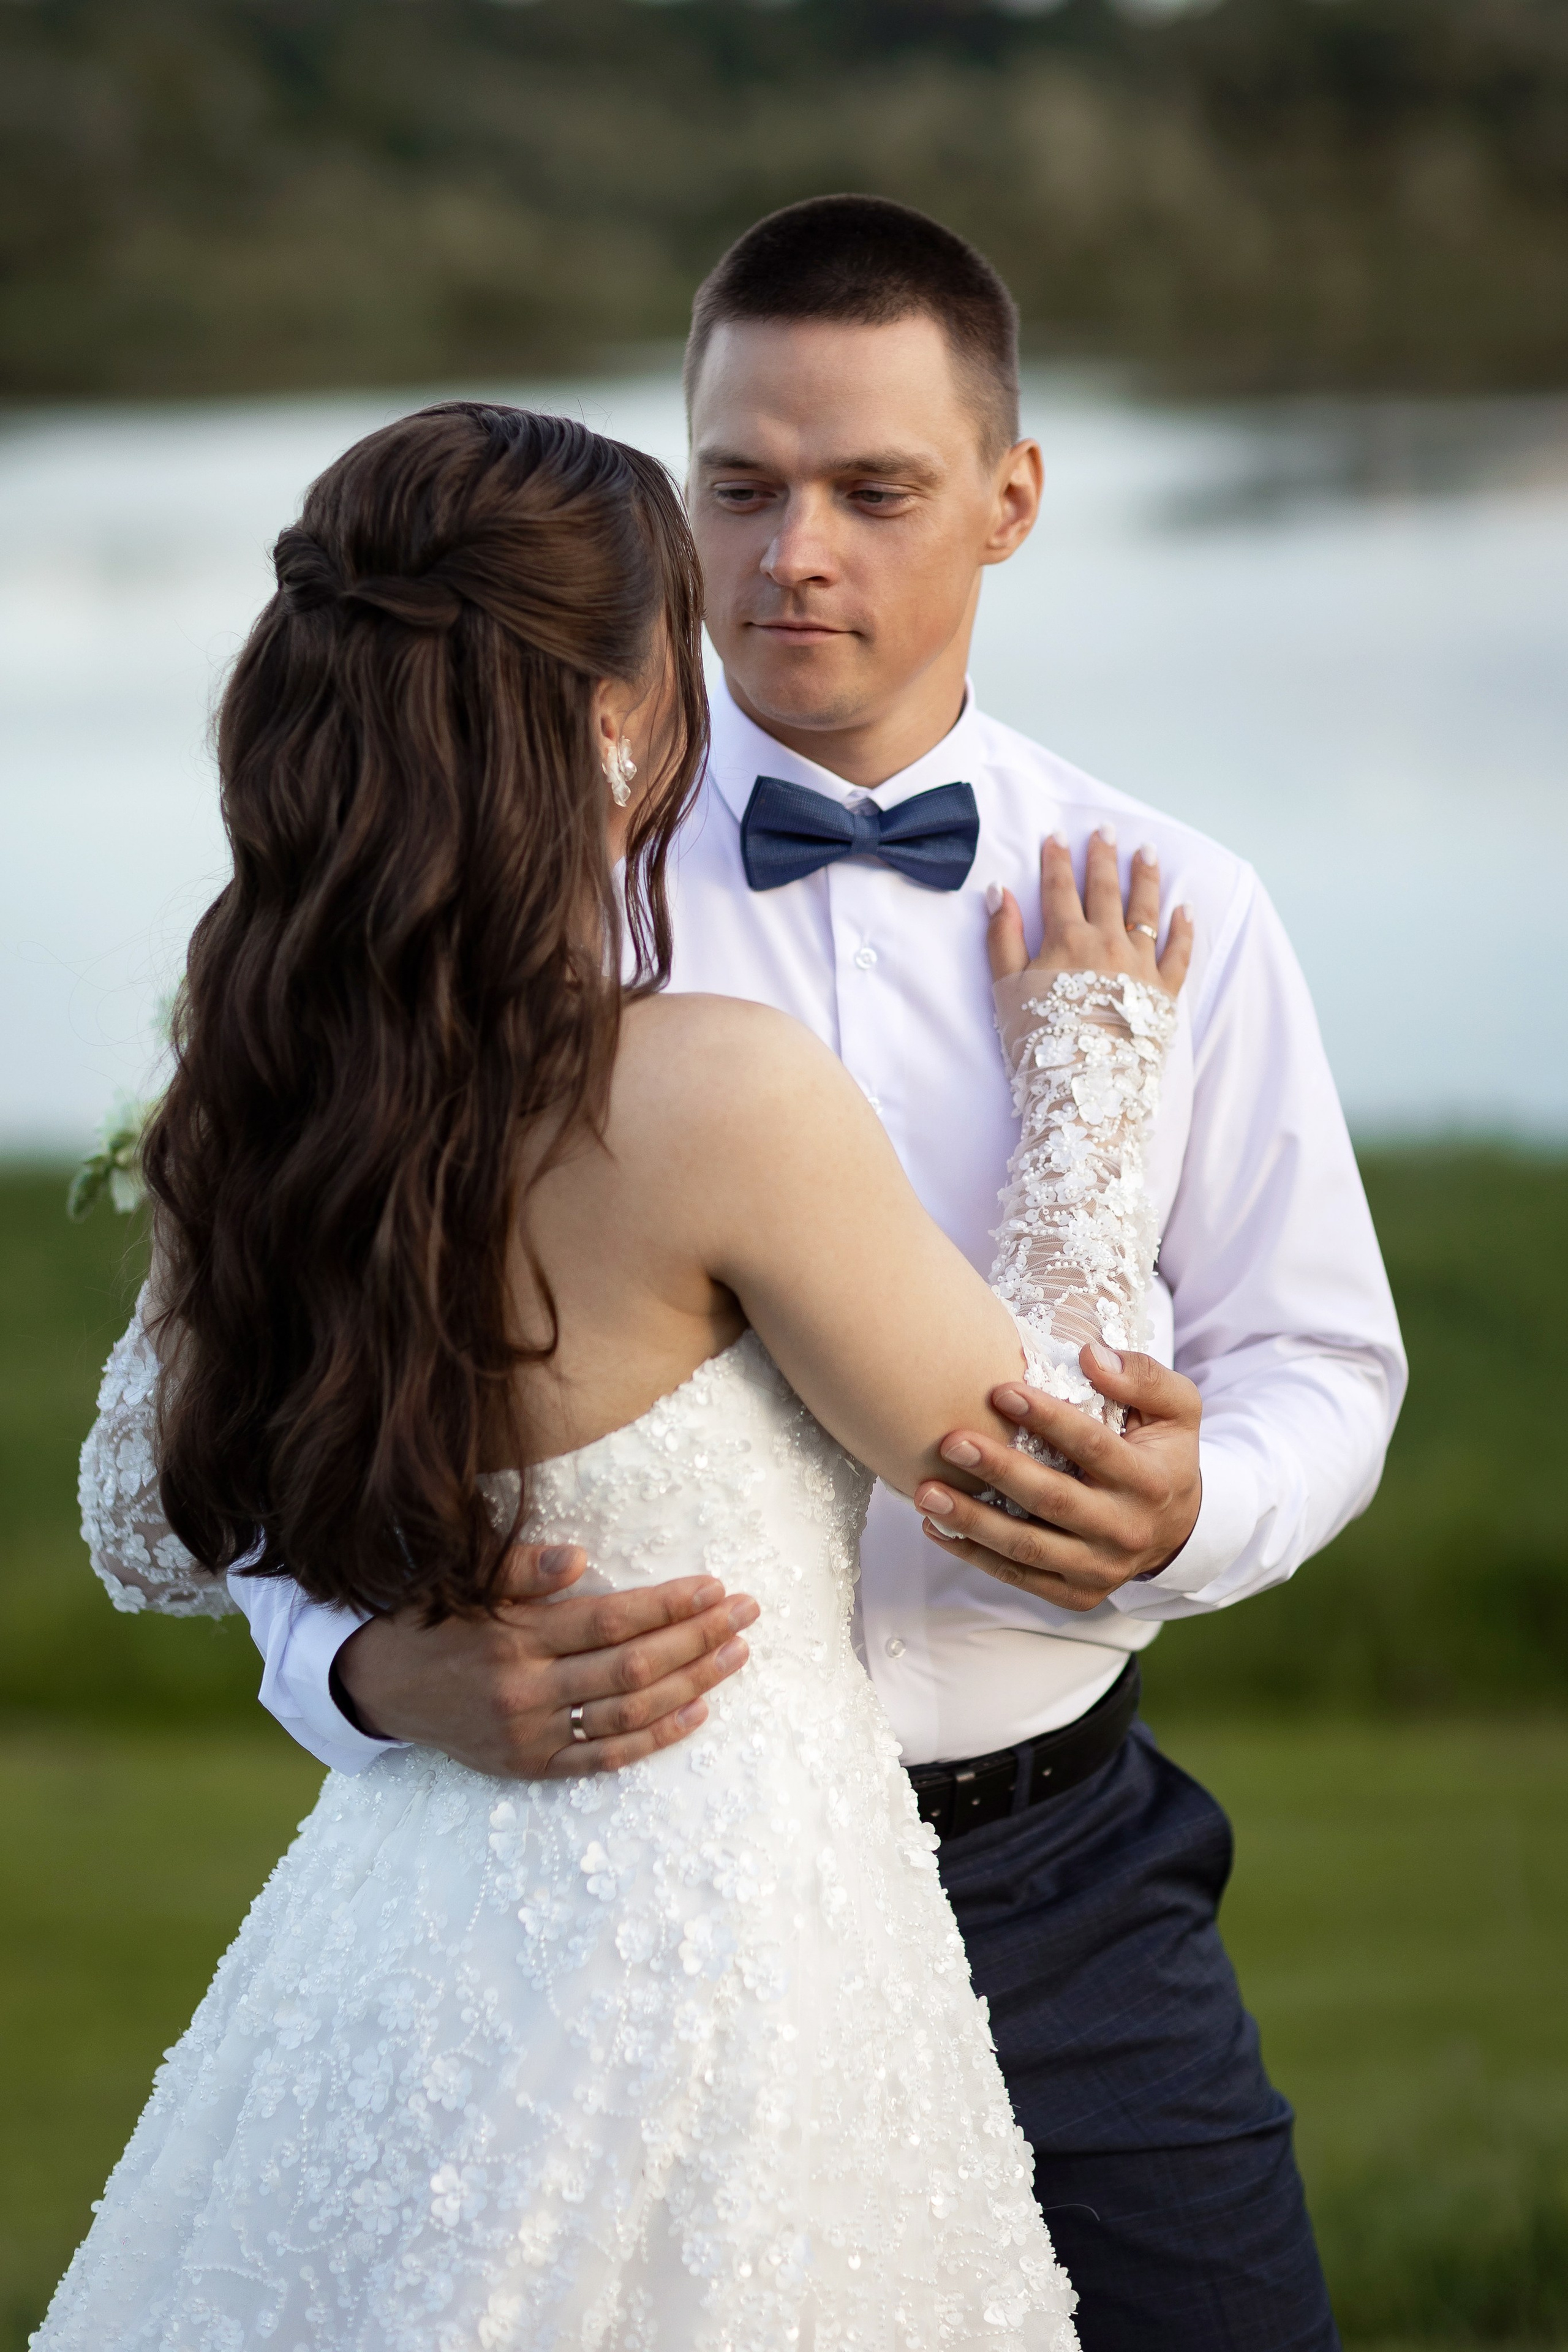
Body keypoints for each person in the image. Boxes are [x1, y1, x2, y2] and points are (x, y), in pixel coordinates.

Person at [73, 198, 1404, 2348]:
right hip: (599, 1897)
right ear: (675, 493)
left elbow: (1322, 1353)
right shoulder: (472, 919)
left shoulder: (1177, 903)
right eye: (741, 487)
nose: (795, 556)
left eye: (874, 491)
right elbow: (274, 1447)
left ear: (1010, 499)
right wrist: (364, 1671)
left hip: (1060, 1869)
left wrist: (1195, 1515)